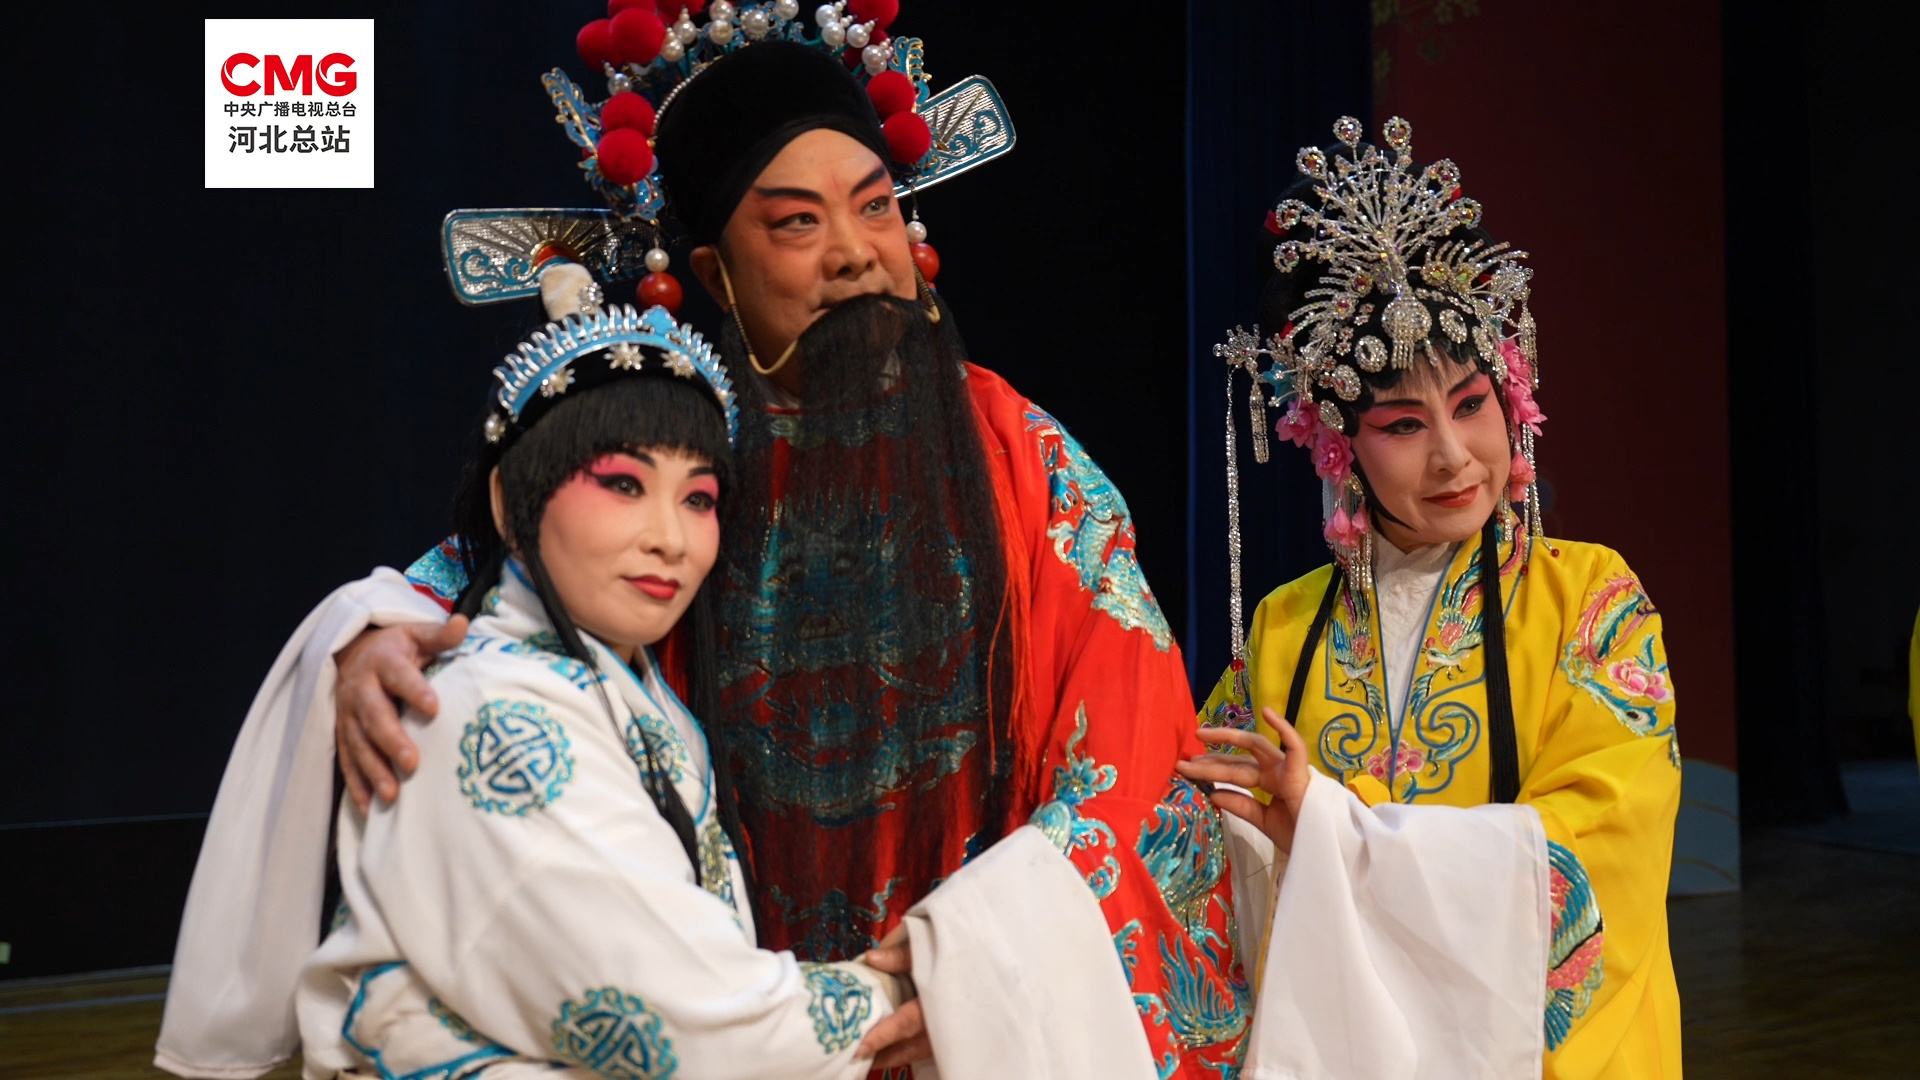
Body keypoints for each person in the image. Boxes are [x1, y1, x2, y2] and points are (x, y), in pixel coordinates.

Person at [176, 7, 1246, 1078]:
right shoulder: (681, 455)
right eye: (796, 224)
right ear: (715, 273)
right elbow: (474, 590)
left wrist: (974, 963)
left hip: (969, 1008)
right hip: (728, 1004)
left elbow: (1131, 739)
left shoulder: (1019, 453)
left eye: (876, 207)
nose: (856, 255)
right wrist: (370, 638)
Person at [1183, 117, 1682, 1077]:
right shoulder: (1286, 628)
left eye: (1471, 405)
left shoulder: (1593, 600)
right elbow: (1201, 856)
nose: (1454, 458)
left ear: (1513, 397)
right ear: (1339, 447)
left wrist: (1335, 827)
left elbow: (1601, 853)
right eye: (1404, 425)